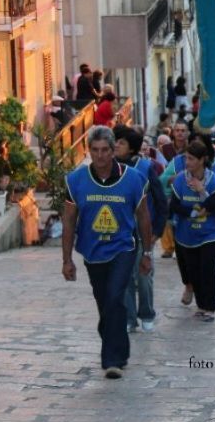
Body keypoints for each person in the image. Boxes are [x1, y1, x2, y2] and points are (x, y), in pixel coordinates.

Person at [62, 127, 153, 379]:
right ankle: (119, 350)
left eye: (105, 150)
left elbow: (143, 216)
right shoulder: (76, 180)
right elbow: (69, 220)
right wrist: (67, 259)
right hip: (92, 251)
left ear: (113, 151)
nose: (100, 156)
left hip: (123, 247)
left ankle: (111, 359)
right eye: (95, 150)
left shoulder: (133, 180)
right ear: (88, 151)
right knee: (105, 302)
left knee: (115, 296)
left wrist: (147, 253)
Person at [113, 126, 167, 333]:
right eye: (116, 141)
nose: (116, 145)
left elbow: (161, 201)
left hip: (143, 233)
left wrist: (157, 232)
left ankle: (147, 313)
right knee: (125, 278)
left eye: (122, 142)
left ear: (133, 148)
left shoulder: (145, 167)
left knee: (144, 276)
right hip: (120, 234)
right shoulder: (110, 168)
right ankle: (129, 318)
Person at [169, 138, 215, 322]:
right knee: (193, 270)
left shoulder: (214, 179)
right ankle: (201, 306)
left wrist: (202, 191)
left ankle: (210, 307)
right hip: (186, 234)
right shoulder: (180, 180)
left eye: (192, 159)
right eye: (186, 159)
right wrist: (193, 212)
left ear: (202, 160)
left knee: (207, 267)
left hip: (212, 233)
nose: (188, 163)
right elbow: (174, 205)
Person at [158, 122, 190, 263]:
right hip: (170, 190)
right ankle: (168, 247)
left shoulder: (192, 148)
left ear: (187, 133)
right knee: (165, 209)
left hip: (189, 189)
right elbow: (163, 173)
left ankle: (184, 244)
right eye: (177, 130)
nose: (180, 133)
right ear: (173, 132)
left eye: (183, 130)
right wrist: (172, 178)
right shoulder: (165, 148)